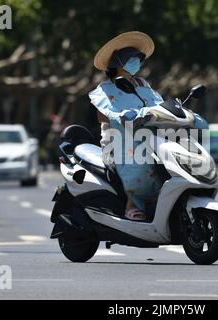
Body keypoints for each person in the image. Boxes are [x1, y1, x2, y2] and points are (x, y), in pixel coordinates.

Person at [89, 31, 207, 221]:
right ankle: (132, 205)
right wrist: (124, 116)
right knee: (139, 156)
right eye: (131, 58)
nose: (137, 62)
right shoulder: (106, 89)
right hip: (119, 145)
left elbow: (158, 106)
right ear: (117, 62)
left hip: (151, 139)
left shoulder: (143, 84)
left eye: (138, 58)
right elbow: (102, 115)